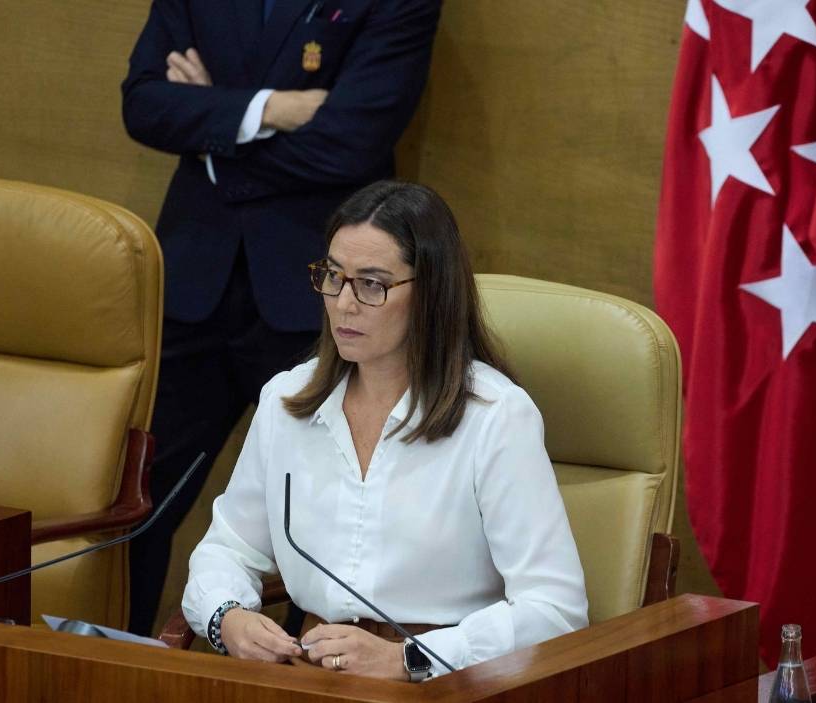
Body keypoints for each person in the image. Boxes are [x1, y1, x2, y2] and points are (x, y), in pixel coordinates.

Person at [120, 0, 443, 634]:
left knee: (322, 512)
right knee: (135, 501)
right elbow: (146, 103)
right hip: (192, 283)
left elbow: (352, 142)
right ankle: (111, 662)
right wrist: (271, 108)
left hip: (322, 292)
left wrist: (212, 137)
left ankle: (304, 672)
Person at [182, 181, 589, 681]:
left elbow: (555, 611)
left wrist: (408, 658)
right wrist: (228, 617)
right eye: (333, 276)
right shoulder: (287, 400)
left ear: (431, 293)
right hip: (312, 674)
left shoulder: (495, 416)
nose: (343, 304)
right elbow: (227, 549)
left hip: (448, 684)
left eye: (372, 285)